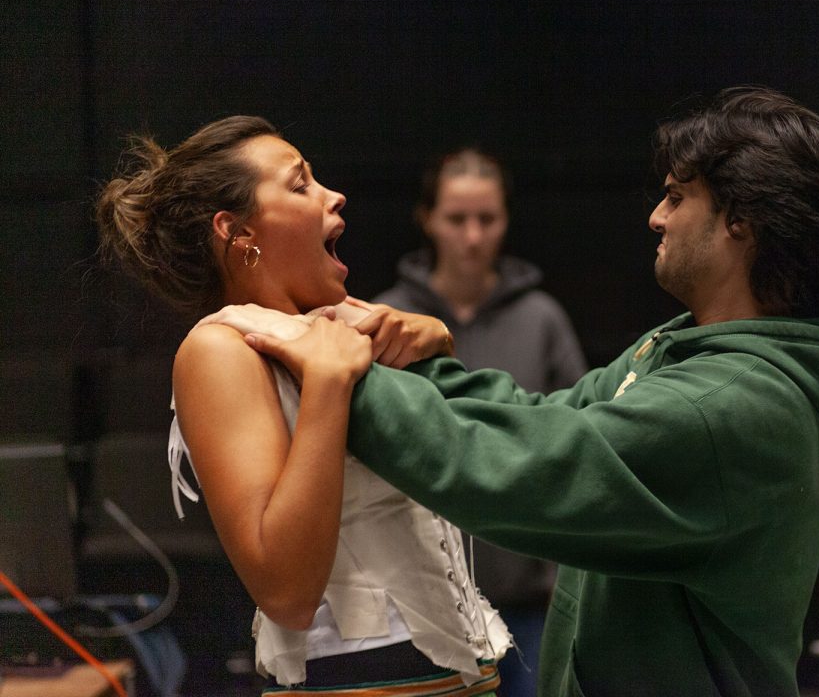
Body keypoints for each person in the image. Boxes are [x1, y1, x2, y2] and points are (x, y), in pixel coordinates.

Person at [247, 86, 819, 696]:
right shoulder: (681, 349)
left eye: (678, 197)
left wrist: (339, 374)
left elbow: (519, 469)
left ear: (739, 221)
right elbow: (540, 418)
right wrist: (420, 362)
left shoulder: (728, 405)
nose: (657, 216)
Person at [95, 116, 510, 696]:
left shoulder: (339, 324)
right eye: (300, 184)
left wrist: (437, 338)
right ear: (238, 233)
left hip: (461, 676)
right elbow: (286, 592)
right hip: (355, 681)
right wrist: (327, 385)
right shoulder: (219, 347)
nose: (333, 195)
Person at [373, 147, 588, 695]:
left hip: (529, 603)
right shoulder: (385, 318)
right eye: (456, 219)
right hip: (416, 608)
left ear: (507, 221)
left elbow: (579, 440)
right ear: (427, 219)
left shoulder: (541, 318)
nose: (472, 236)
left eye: (487, 219)